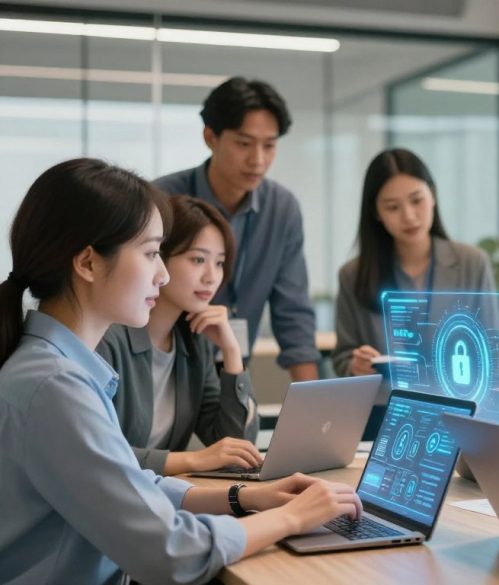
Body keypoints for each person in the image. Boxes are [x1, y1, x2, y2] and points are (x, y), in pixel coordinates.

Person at [0, 159, 360, 584]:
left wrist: (247, 495)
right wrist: (291, 518)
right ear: (88, 263)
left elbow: (130, 483)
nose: (163, 273)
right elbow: (169, 553)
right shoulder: (54, 385)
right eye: (152, 252)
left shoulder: (58, 369)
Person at [154, 76, 319, 381]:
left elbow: (293, 314)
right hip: (164, 365)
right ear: (210, 137)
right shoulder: (162, 201)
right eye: (244, 144)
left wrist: (316, 409)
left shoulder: (281, 209)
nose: (258, 160)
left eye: (269, 146)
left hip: (234, 361)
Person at [332, 148, 496, 437]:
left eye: (417, 200)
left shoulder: (471, 263)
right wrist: (355, 364)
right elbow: (343, 356)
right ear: (376, 213)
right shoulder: (353, 275)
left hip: (458, 410)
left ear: (433, 195)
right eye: (393, 207)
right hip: (382, 416)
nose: (409, 216)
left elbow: (496, 350)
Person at [98, 195, 261, 476]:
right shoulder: (108, 337)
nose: (212, 277)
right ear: (158, 257)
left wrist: (232, 355)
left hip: (159, 499)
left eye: (220, 263)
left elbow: (235, 449)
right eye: (198, 259)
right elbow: (96, 453)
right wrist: (192, 460)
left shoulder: (195, 341)